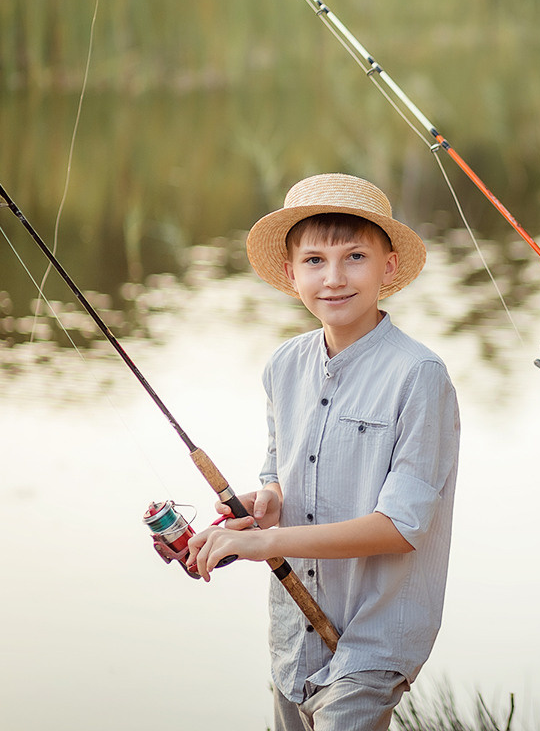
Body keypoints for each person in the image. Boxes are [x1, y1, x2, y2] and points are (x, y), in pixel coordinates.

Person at [187, 173, 460, 731]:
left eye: (354, 257)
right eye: (314, 261)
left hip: (375, 637)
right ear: (290, 274)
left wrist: (270, 541)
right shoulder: (282, 366)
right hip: (295, 634)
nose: (333, 278)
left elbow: (400, 527)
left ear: (388, 267)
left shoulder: (419, 375)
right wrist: (264, 503)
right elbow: (280, 474)